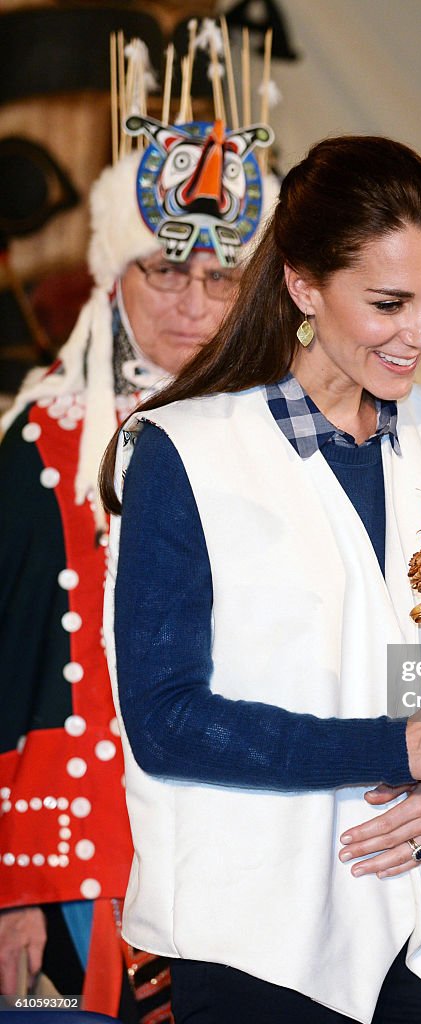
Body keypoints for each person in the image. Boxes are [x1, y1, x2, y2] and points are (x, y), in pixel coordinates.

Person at [99, 135, 421, 1024]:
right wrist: (400, 750)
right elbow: (166, 720)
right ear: (302, 286)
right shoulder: (185, 451)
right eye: (388, 303)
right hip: (258, 940)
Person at [0, 35, 278, 1018]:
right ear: (111, 276)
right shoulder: (50, 433)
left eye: (222, 278)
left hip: (259, 841)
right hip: (92, 847)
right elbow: (12, 661)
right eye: (166, 271)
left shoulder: (292, 440)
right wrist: (19, 877)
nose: (193, 305)